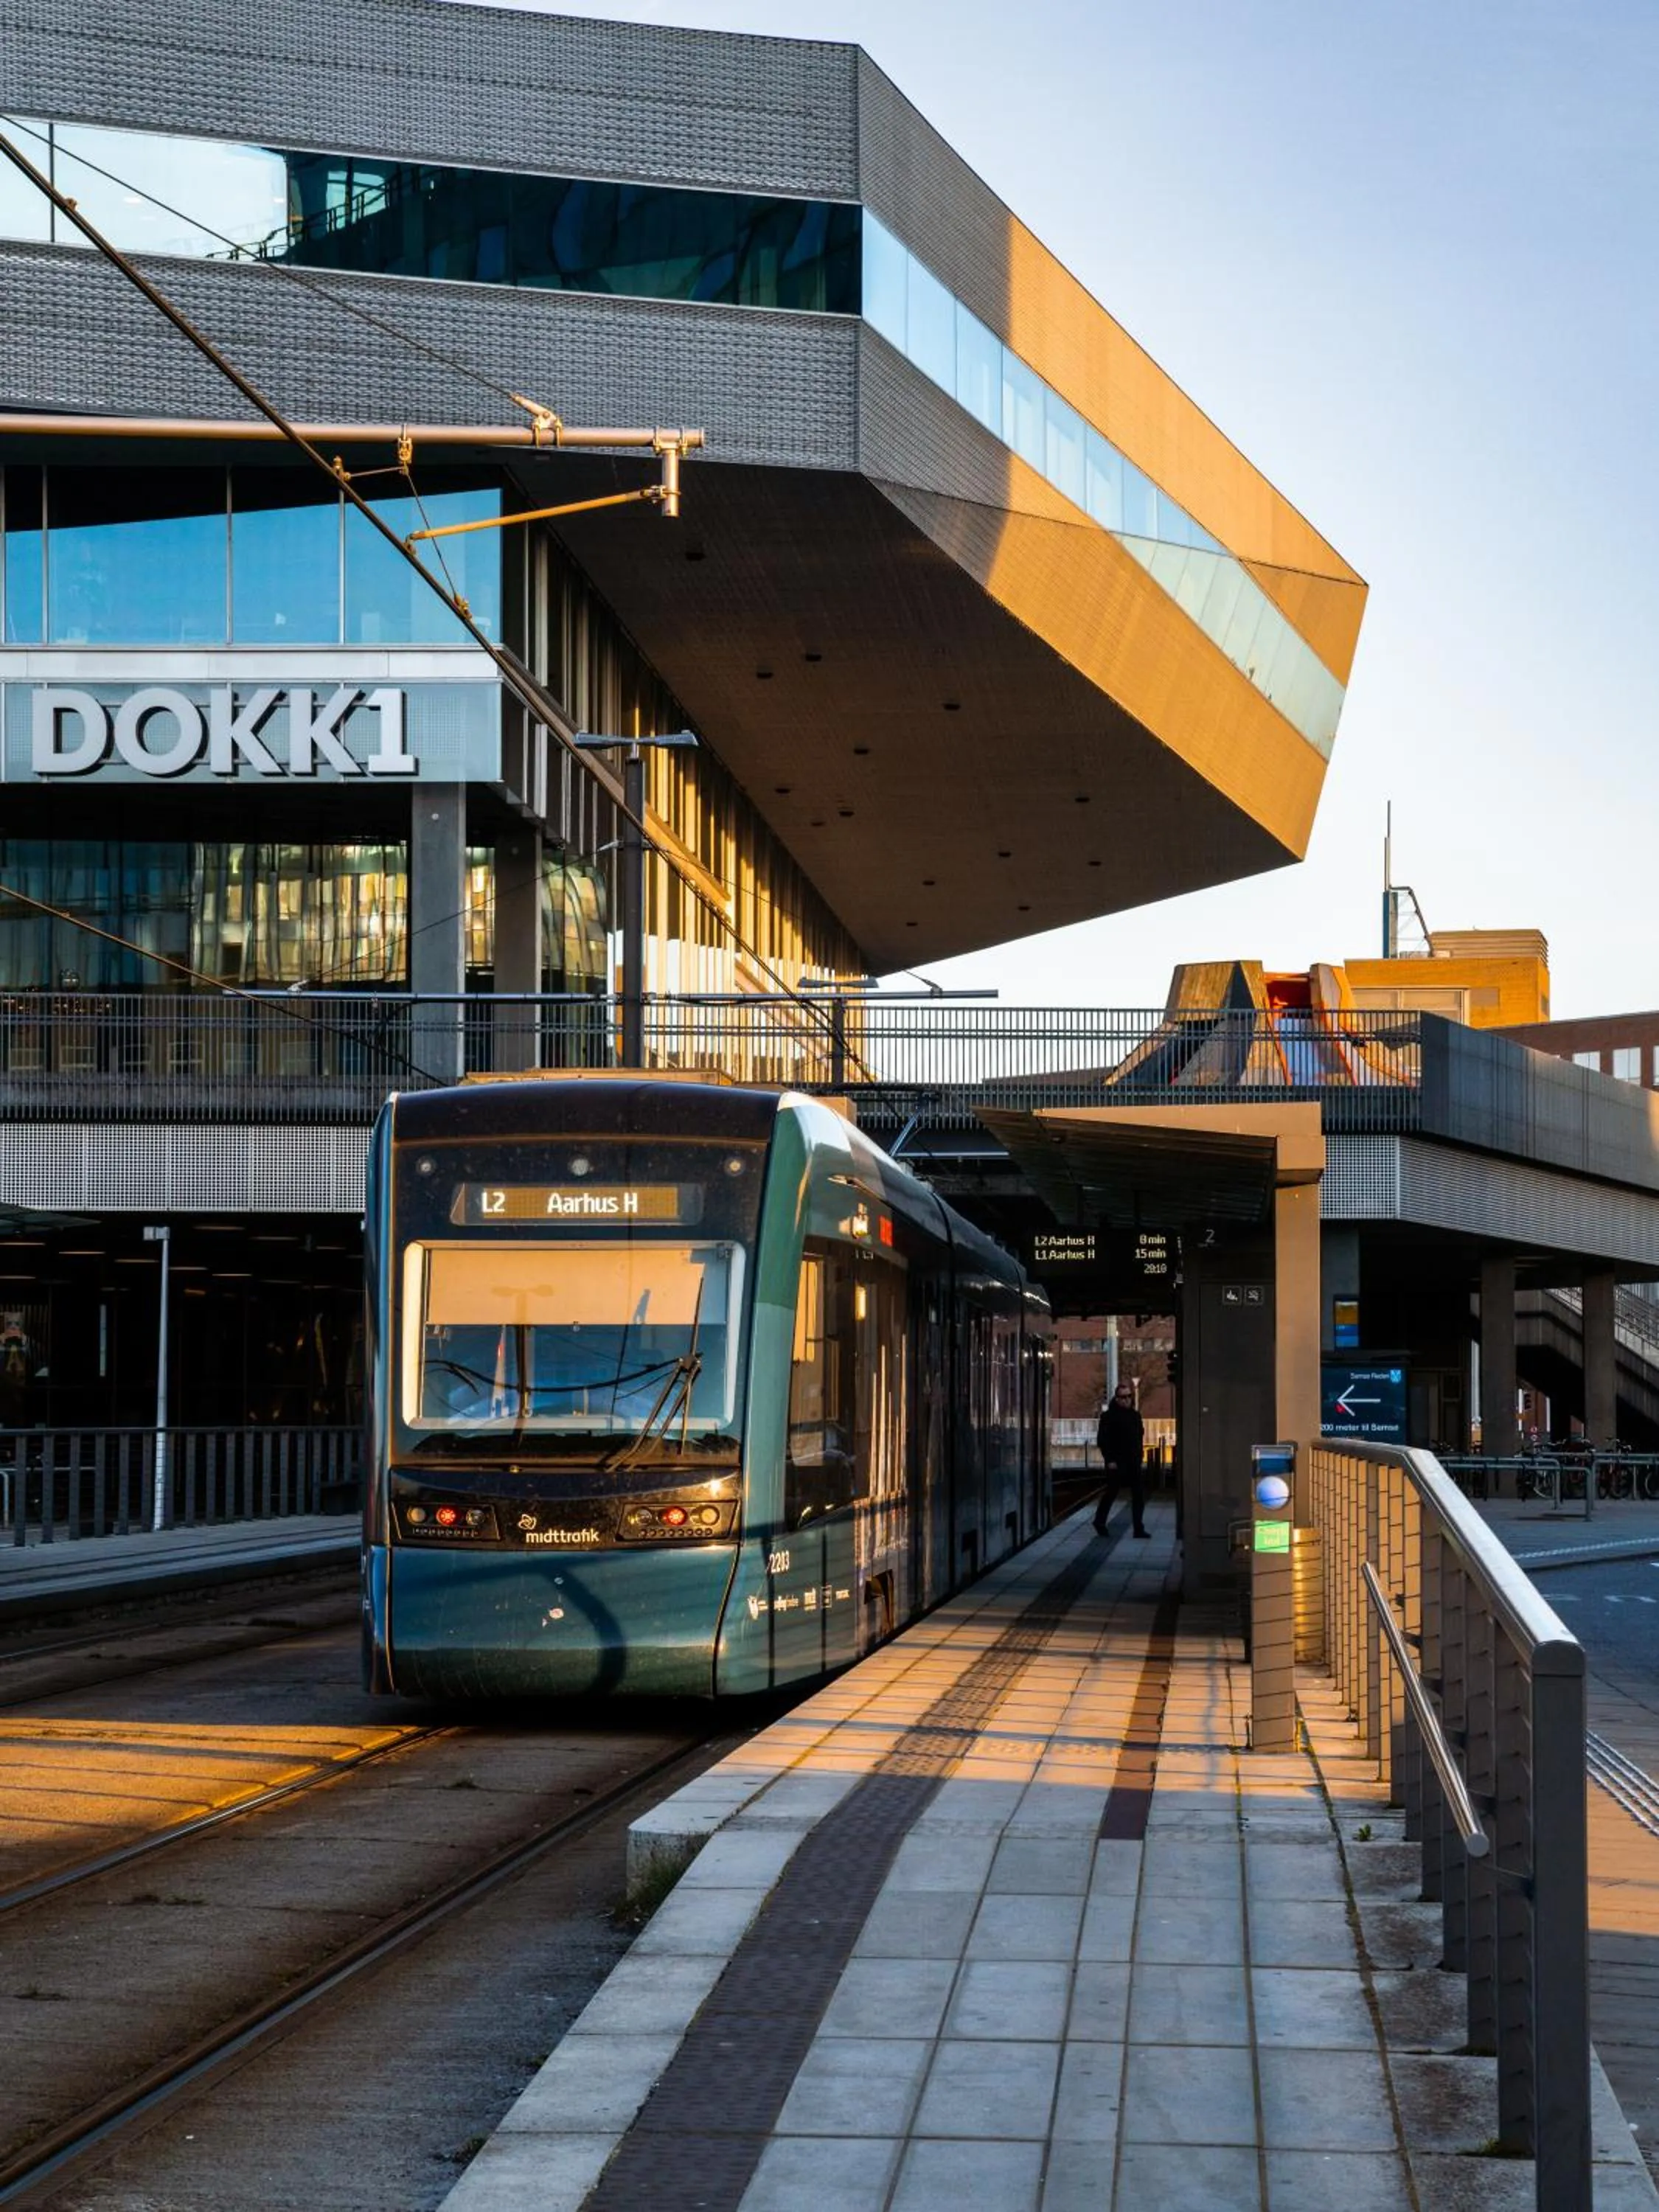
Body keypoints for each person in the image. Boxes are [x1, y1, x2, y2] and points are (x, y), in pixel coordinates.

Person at [1093, 1380, 1148, 1538]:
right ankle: (1100, 1521)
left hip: (1133, 1461)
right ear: (1117, 1398)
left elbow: (1139, 1437)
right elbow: (1103, 1440)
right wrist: (1110, 1459)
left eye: (1129, 1397)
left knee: (1138, 1494)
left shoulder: (1135, 1416)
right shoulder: (1108, 1417)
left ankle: (1139, 1528)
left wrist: (1140, 1455)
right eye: (1123, 1397)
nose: (1126, 1400)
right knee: (1111, 1492)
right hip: (1116, 1462)